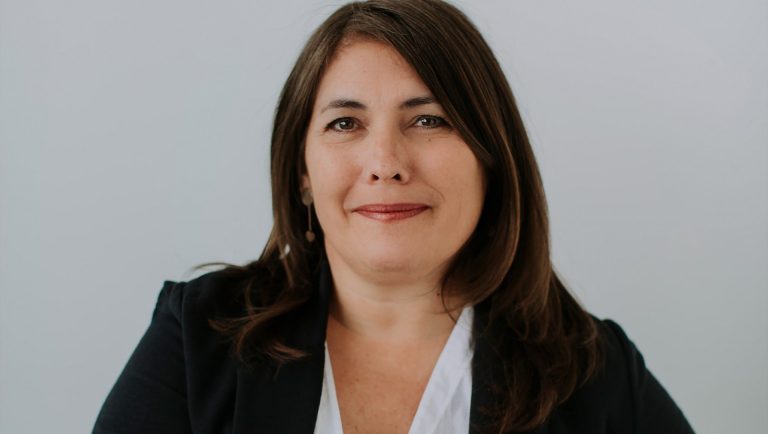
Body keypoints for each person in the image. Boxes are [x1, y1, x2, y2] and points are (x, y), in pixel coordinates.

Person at [93, 1, 694, 433]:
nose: (385, 162)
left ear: (491, 159)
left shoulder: (594, 370)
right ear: (301, 172)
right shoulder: (199, 337)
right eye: (345, 123)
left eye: (428, 120)